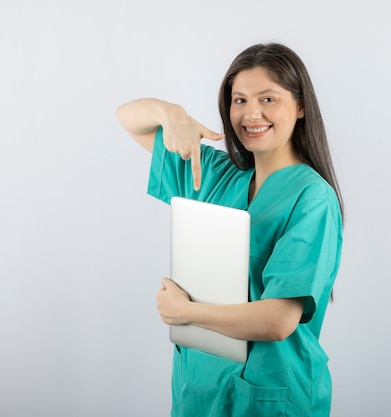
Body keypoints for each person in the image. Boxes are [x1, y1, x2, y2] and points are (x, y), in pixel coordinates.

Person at [117, 43, 343, 417]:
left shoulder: (313, 199)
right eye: (239, 100)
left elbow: (277, 320)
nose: (251, 113)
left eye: (268, 99)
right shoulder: (215, 175)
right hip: (199, 391)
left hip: (270, 396)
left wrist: (185, 312)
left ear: (301, 106)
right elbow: (128, 118)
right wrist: (170, 113)